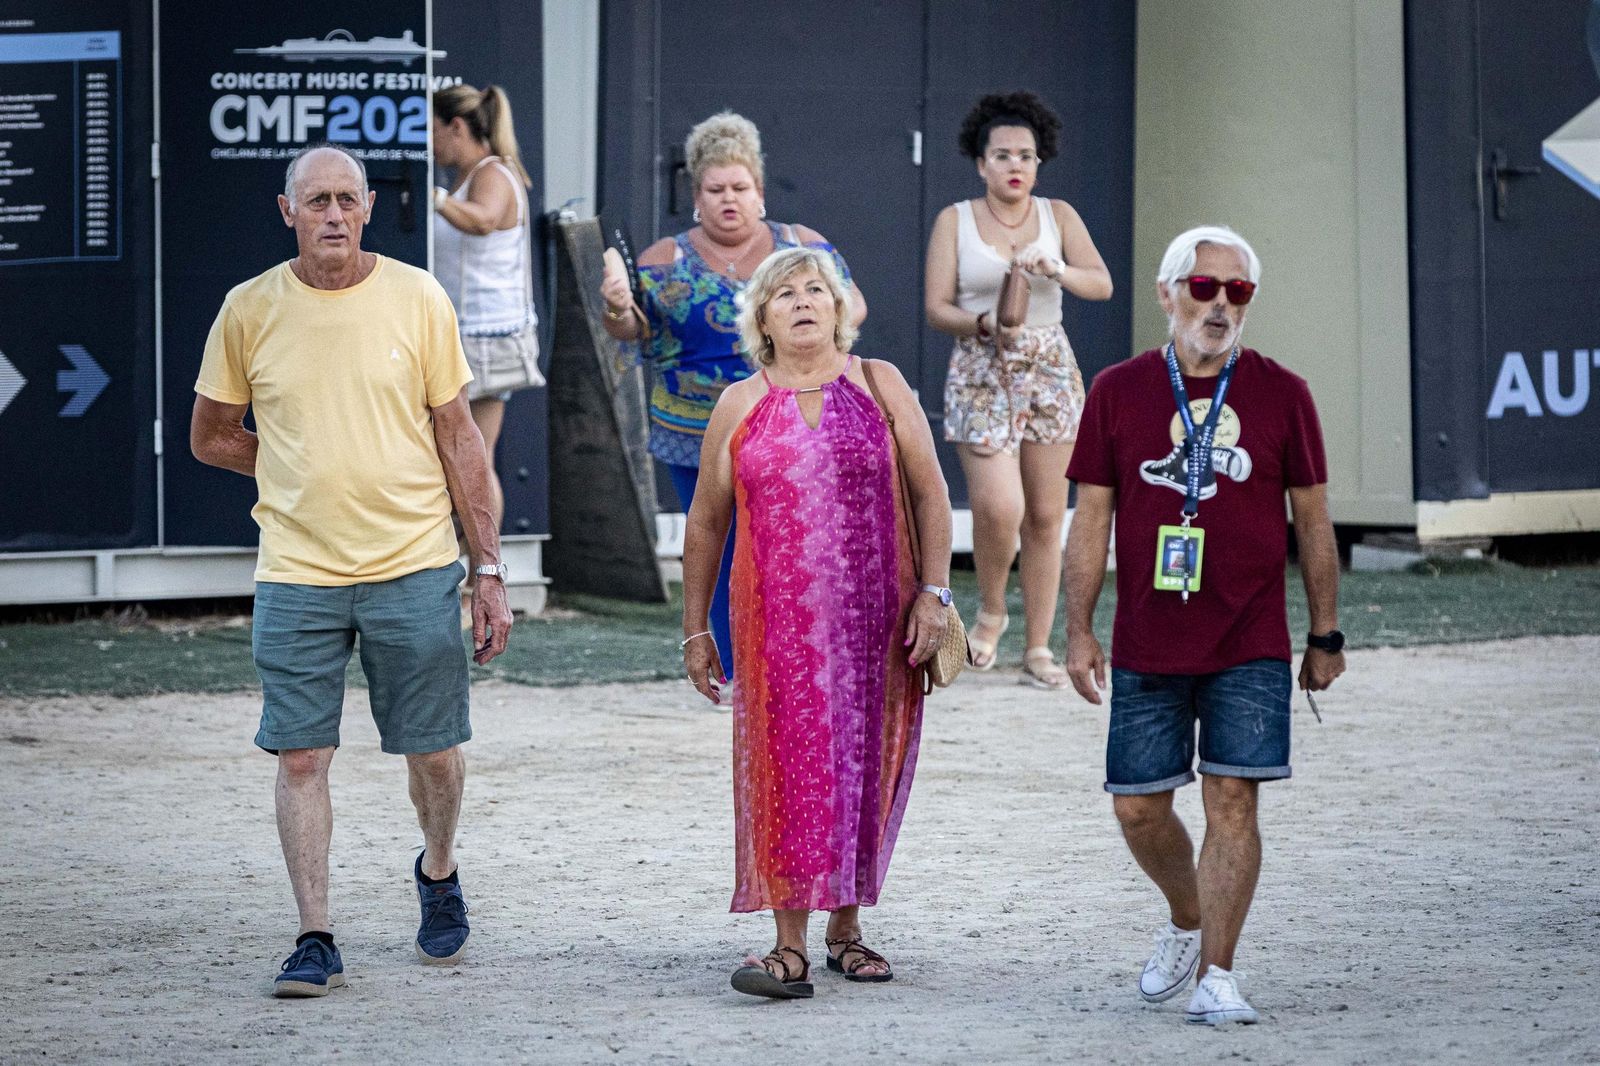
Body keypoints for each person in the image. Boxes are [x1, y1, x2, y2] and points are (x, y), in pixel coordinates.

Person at [190, 144, 514, 998]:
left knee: (434, 753)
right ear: (286, 210)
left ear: (369, 208)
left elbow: (459, 438)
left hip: (413, 564)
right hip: (295, 570)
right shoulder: (248, 308)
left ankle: (437, 873)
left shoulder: (417, 297)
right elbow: (211, 433)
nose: (332, 214)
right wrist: (295, 463)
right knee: (301, 757)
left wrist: (487, 568)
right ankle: (315, 936)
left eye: (346, 199)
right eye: (315, 200)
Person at [1060, 225, 1345, 1025]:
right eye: (1203, 286)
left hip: (1249, 637)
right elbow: (1091, 519)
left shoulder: (1284, 392)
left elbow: (1314, 521)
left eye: (1238, 291)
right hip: (1148, 636)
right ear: (1166, 293)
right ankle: (1188, 919)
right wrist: (1077, 629)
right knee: (1138, 807)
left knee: (1232, 800)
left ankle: (1219, 972)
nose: (1219, 304)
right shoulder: (1117, 390)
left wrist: (1326, 633)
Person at [681, 247, 951, 999]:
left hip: (877, 624)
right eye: (783, 294)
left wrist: (935, 594)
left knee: (863, 765)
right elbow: (706, 521)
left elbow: (931, 495)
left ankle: (847, 929)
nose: (802, 302)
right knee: (788, 766)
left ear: (838, 308)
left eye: (816, 290)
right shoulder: (739, 401)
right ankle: (789, 945)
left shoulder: (881, 383)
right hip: (776, 630)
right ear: (761, 320)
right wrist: (695, 628)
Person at [601, 111, 867, 691]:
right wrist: (619, 305)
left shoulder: (803, 247)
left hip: (794, 423)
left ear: (760, 192)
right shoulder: (663, 258)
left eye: (740, 188)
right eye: (716, 190)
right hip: (692, 431)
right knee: (722, 543)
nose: (729, 200)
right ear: (696, 196)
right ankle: (734, 662)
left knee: (793, 540)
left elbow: (856, 309)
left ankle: (806, 659)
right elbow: (631, 330)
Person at [925, 90, 1113, 688]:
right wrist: (985, 325)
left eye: (1026, 156)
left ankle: (1037, 646)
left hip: (1050, 367)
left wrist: (1057, 269)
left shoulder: (1059, 216)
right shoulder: (954, 219)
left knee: (1045, 514)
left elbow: (1101, 284)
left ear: (1039, 163)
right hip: (983, 366)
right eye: (1002, 154)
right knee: (998, 506)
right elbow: (936, 307)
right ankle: (991, 609)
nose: (1015, 166)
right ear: (980, 163)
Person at [431, 83, 543, 561]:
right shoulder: (468, 173)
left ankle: (484, 576)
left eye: (432, 132)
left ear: (457, 128)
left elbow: (482, 220)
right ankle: (467, 569)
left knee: (473, 461)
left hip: (487, 341)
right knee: (459, 460)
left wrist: (434, 198)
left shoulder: (492, 174)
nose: (429, 145)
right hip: (463, 337)